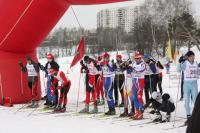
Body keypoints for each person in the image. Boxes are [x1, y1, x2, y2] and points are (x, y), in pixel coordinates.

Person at [177, 51, 200, 125]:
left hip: (194, 84)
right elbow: (178, 70)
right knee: (186, 101)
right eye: (191, 56)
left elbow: (199, 72)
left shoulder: (196, 64)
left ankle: (196, 116)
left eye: (193, 56)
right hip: (186, 84)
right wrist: (179, 62)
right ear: (188, 57)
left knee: (196, 101)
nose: (192, 57)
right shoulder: (185, 63)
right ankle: (188, 117)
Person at [131, 52, 146, 120]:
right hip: (134, 81)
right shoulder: (133, 63)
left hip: (140, 81)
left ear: (140, 58)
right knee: (135, 97)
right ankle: (137, 111)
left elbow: (141, 70)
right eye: (136, 58)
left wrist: (133, 68)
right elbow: (130, 71)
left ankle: (141, 112)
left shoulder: (143, 64)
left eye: (139, 58)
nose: (137, 59)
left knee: (139, 96)